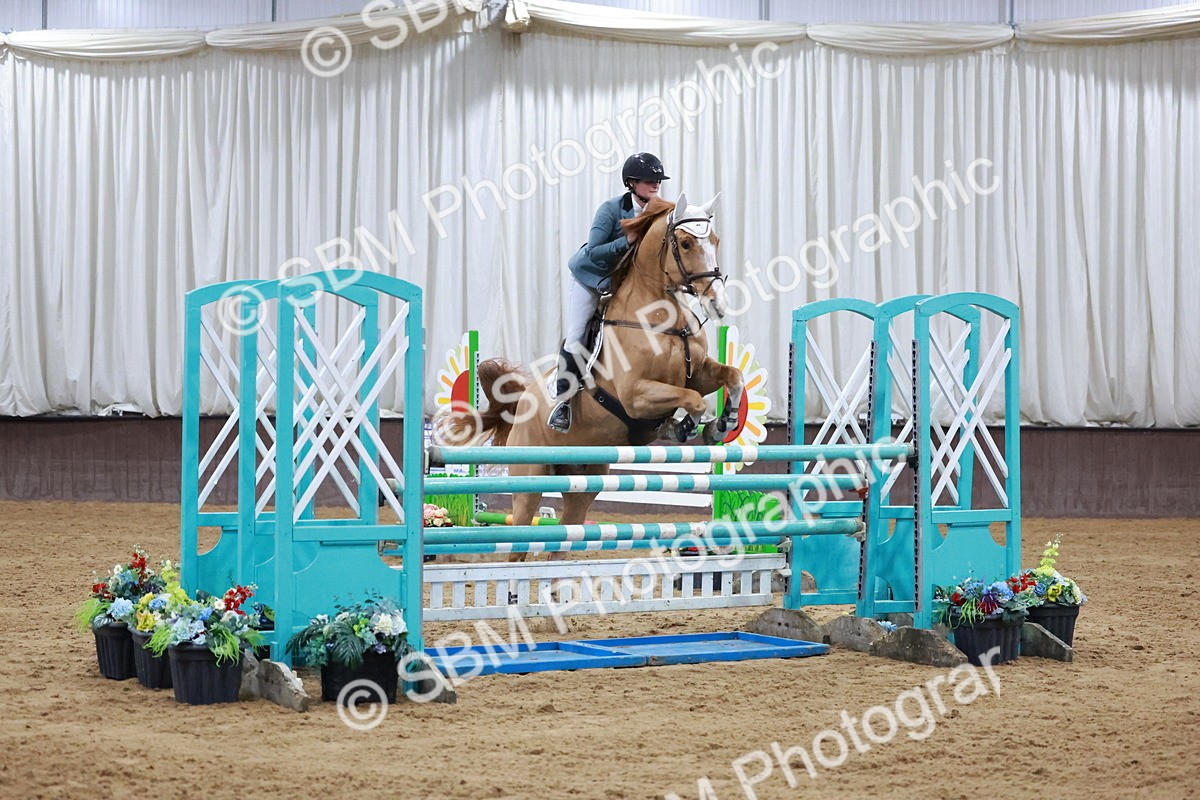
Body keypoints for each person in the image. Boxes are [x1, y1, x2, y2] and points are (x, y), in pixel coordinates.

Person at [547, 152, 670, 433]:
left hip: (623, 284)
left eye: (657, 181)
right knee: (578, 333)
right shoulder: (610, 209)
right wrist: (626, 241)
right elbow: (593, 251)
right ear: (631, 183)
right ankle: (563, 402)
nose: (655, 185)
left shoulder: (659, 212)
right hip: (590, 278)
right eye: (649, 181)